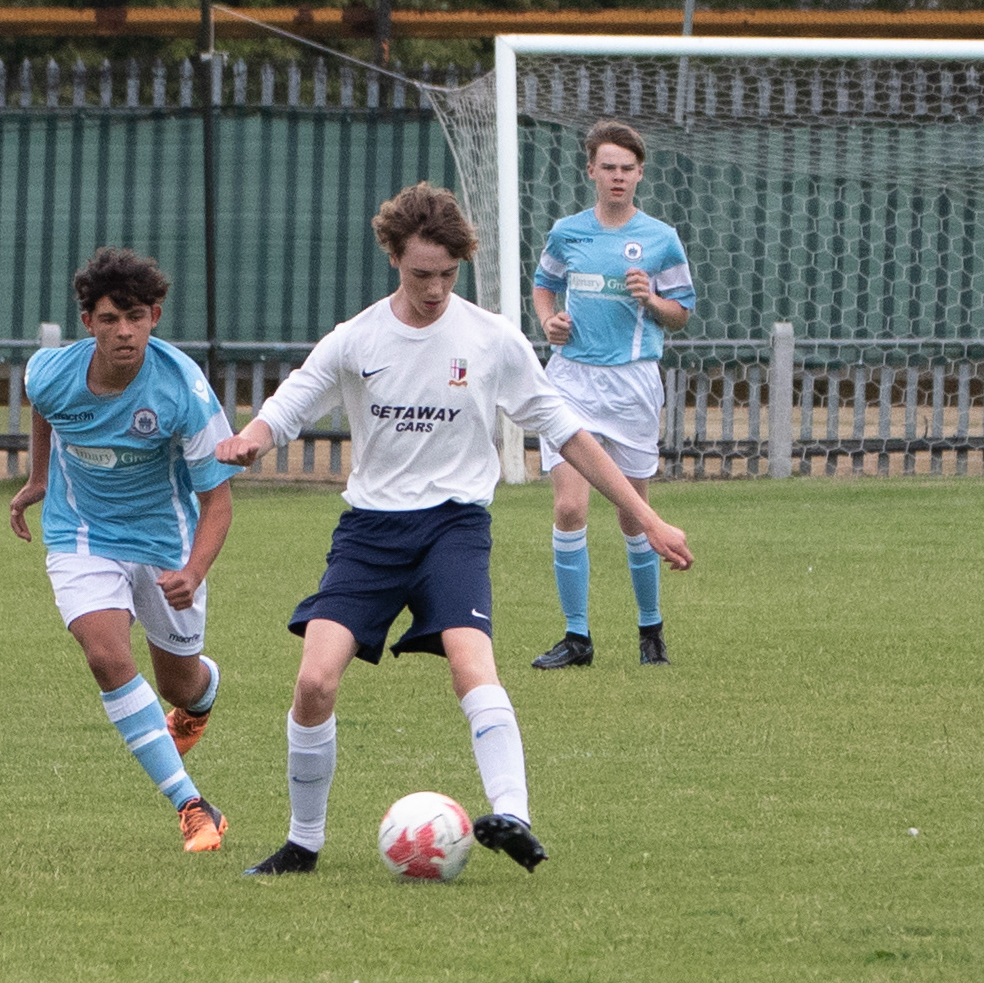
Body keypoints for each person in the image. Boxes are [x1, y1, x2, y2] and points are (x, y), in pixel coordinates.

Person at [216, 183, 694, 877]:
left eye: (447, 274)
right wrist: (251, 439)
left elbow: (567, 431)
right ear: (393, 258)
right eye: (421, 274)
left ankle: (513, 815)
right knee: (314, 681)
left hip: (454, 528)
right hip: (370, 532)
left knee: (472, 666)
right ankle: (303, 843)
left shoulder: (490, 338)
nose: (435, 289)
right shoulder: (357, 338)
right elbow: (289, 405)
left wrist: (648, 518)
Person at [9, 247, 239, 852]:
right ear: (88, 322)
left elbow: (218, 502)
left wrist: (195, 570)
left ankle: (200, 696)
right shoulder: (51, 372)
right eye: (109, 319)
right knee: (106, 656)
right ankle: (193, 806)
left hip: (166, 544)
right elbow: (43, 407)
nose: (124, 332)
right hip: (81, 535)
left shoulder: (182, 390)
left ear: (155, 316)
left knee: (179, 686)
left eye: (135, 317)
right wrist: (39, 478)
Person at [530, 120, 697, 671]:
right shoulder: (567, 232)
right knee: (569, 506)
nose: (618, 176)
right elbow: (544, 285)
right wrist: (549, 320)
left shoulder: (660, 238)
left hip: (631, 383)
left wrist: (651, 300)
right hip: (571, 381)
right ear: (592, 171)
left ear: (640, 173)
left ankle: (651, 630)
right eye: (608, 167)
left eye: (627, 168)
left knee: (633, 514)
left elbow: (681, 313)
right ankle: (576, 637)